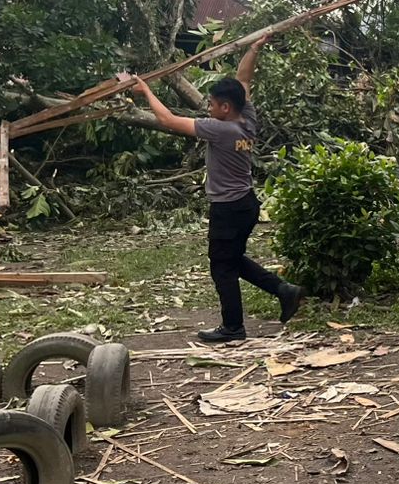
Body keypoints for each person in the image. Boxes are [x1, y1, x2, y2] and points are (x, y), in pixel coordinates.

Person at [119, 37, 304, 342]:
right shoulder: (246, 119)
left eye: (212, 104)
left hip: (228, 208)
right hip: (245, 204)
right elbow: (244, 78)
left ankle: (233, 327)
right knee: (231, 259)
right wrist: (253, 49)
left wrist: (146, 91)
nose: (208, 107)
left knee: (222, 267)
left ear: (225, 107)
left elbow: (166, 119)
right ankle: (284, 290)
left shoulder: (220, 129)